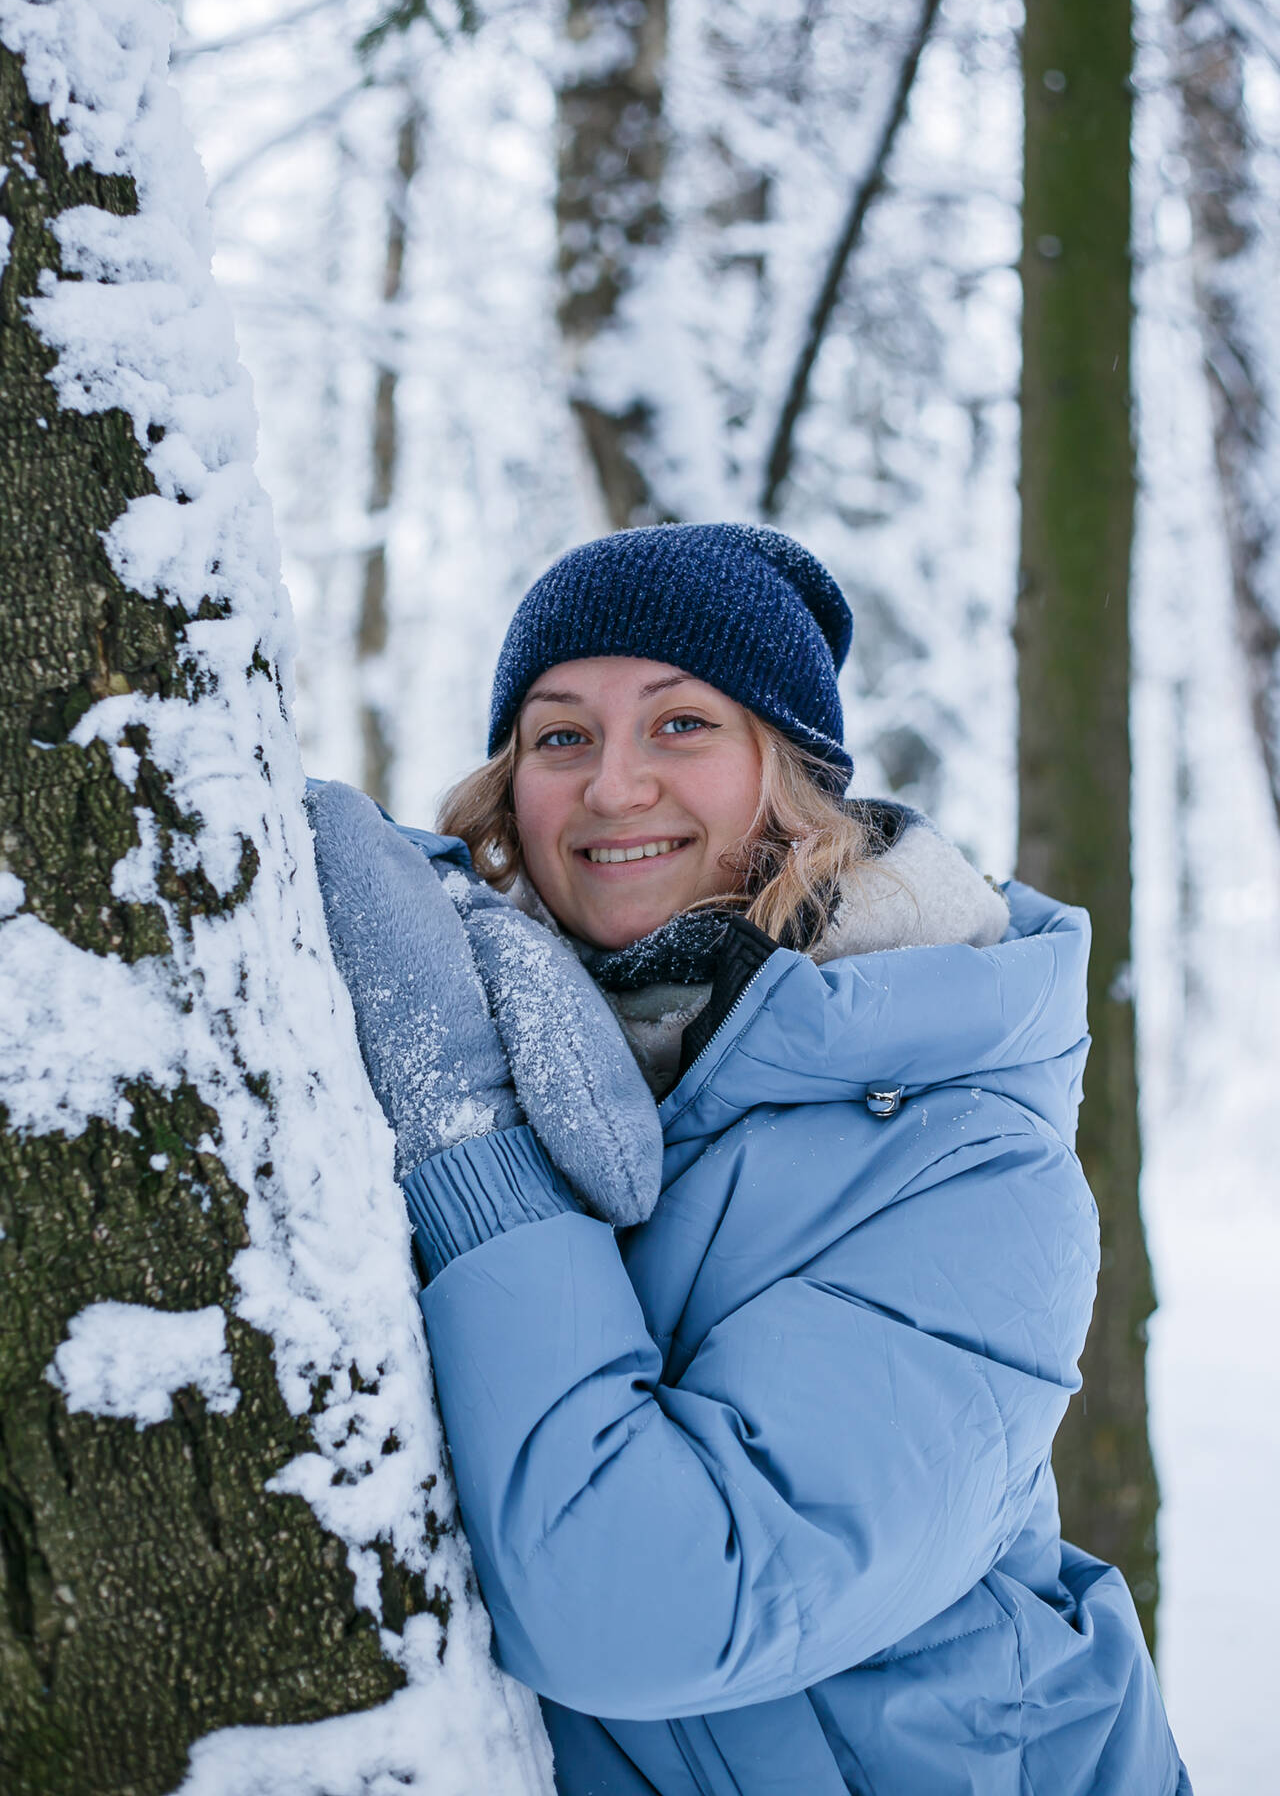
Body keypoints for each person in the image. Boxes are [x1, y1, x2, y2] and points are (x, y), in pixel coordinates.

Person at [308, 523, 1190, 1795]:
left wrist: (472, 1148)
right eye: (561, 736)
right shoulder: (522, 1034)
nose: (613, 786)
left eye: (681, 726)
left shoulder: (973, 1164)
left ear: (792, 779)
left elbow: (644, 1604)